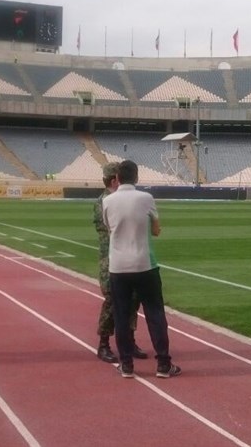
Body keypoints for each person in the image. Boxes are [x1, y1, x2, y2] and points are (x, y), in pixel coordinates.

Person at [102, 160, 180, 379]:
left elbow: (110, 229)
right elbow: (156, 230)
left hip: (118, 266)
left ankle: (126, 364)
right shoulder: (146, 198)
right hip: (145, 264)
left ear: (117, 178)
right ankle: (163, 364)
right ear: (136, 178)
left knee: (121, 315)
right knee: (155, 314)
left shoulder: (107, 201)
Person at [93, 162, 147, 363]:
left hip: (127, 257)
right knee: (112, 300)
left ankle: (129, 341)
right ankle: (104, 344)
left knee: (133, 299)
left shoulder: (120, 199)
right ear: (115, 179)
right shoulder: (103, 202)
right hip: (110, 259)